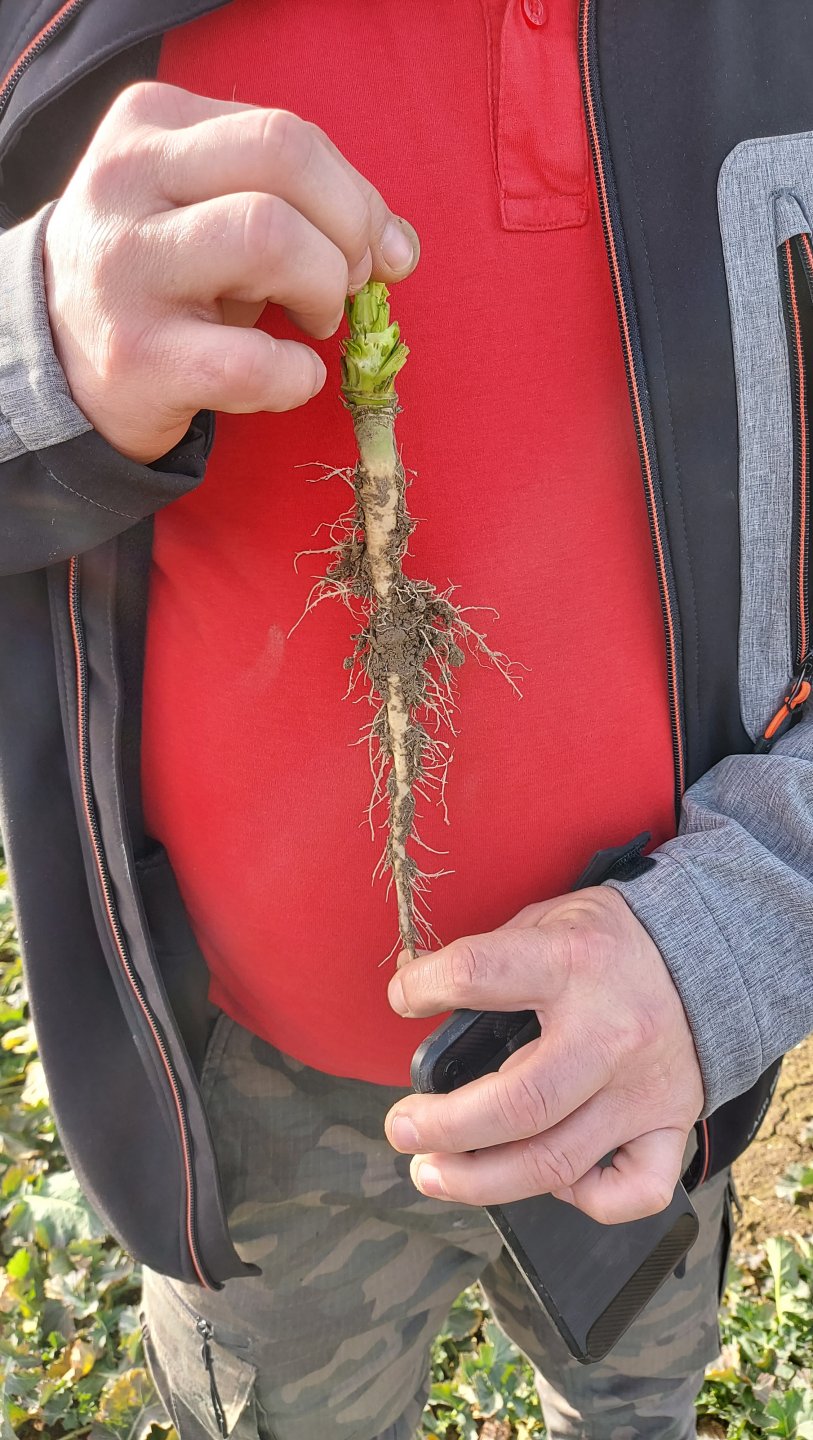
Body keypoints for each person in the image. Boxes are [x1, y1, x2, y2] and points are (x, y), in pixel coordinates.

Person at [1, 1, 811, 1436]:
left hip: (642, 1081)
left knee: (633, 1400)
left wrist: (748, 924)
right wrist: (30, 339)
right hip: (246, 1114)